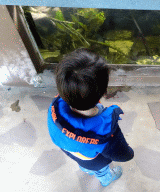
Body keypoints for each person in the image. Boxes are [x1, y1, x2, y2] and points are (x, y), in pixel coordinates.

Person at [47, 48, 134, 187]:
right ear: (104, 91)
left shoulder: (55, 107)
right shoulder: (105, 132)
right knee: (100, 170)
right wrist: (130, 153)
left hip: (74, 152)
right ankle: (106, 179)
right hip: (95, 162)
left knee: (84, 163)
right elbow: (123, 154)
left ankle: (85, 169)